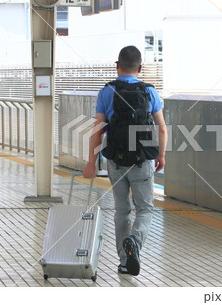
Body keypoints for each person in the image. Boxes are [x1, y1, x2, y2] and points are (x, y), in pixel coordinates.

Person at [83, 46, 167, 276]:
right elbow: (161, 128)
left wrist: (91, 161)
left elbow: (97, 129)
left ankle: (124, 261)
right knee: (145, 208)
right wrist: (161, 155)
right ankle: (135, 243)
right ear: (140, 68)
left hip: (116, 161)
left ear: (117, 66)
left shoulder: (107, 91)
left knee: (122, 210)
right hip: (142, 160)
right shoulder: (150, 92)